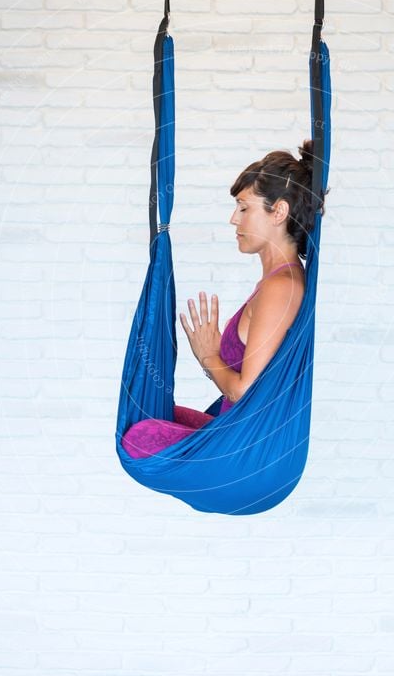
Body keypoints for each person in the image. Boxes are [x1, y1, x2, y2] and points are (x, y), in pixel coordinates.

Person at [121, 138, 323, 459]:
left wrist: (208, 356)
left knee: (140, 438)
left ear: (279, 212)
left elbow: (243, 393)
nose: (234, 219)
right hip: (233, 432)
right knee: (146, 418)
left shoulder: (281, 287)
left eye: (244, 208)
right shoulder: (278, 280)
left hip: (242, 449)